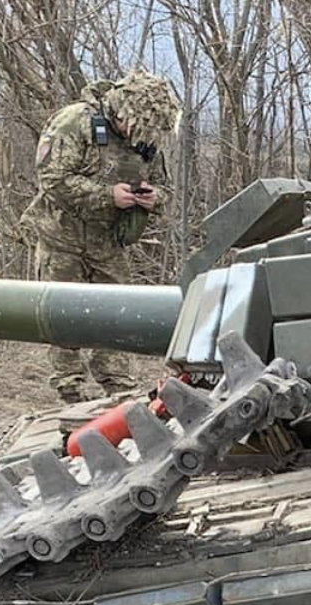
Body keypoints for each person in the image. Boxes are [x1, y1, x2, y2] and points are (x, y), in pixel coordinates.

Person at [25, 71, 182, 402]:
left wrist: (154, 199)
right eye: (133, 127)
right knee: (62, 317)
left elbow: (165, 188)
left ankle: (118, 391)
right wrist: (107, 195)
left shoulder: (146, 140)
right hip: (61, 239)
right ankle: (70, 393)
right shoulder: (74, 123)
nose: (136, 136)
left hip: (109, 243)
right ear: (122, 111)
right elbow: (52, 180)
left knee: (117, 317)